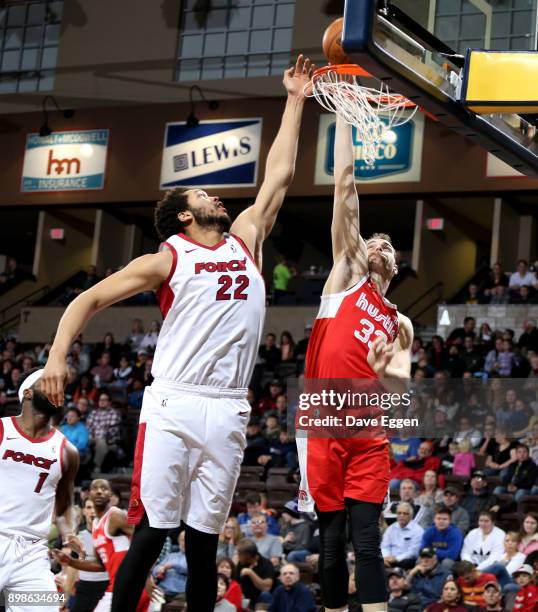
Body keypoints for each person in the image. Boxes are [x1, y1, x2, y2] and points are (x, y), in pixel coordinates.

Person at [41, 54, 314, 612]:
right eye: (201, 195)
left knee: (205, 539)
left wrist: (295, 99)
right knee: (152, 528)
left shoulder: (245, 238)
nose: (216, 196)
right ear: (183, 216)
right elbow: (88, 299)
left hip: (230, 406)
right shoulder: (167, 256)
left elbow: (280, 175)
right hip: (175, 401)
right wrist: (56, 358)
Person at [297, 118, 413, 612]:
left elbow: (400, 383)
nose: (380, 245)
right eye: (375, 241)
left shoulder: (401, 322)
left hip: (367, 433)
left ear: (397, 265)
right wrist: (344, 114)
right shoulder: (347, 276)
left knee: (367, 543)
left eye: (389, 245)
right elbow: (344, 186)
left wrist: (387, 369)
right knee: (330, 542)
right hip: (323, 425)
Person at [0, 368, 79, 611]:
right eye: (49, 382)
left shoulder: (68, 451)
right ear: (27, 393)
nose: (58, 388)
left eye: (61, 385)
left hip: (32, 556)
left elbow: (65, 505)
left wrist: (70, 535)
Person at [52, 478, 151, 612]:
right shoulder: (96, 524)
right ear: (89, 494)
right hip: (116, 588)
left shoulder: (115, 515)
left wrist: (147, 575)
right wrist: (70, 561)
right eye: (95, 489)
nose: (99, 492)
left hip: (127, 588)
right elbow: (100, 565)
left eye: (104, 489)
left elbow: (146, 540)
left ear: (111, 495)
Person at [70, 498, 110, 612]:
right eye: (88, 507)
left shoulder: (110, 533)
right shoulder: (77, 535)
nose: (92, 511)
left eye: (95, 507)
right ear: (83, 511)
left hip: (105, 585)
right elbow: (74, 562)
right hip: (84, 586)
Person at [381, 502, 424, 570]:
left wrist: (396, 559)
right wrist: (386, 557)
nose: (401, 515)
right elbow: (384, 546)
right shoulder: (391, 529)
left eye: (405, 513)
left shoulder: (418, 530)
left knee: (407, 562)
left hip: (405, 561)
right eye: (399, 513)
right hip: (389, 559)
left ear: (411, 516)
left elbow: (413, 552)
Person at [236, 538, 275, 608]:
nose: (238, 556)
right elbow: (236, 582)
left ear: (249, 556)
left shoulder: (266, 564)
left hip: (261, 600)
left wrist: (250, 573)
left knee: (265, 594)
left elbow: (266, 588)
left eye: (239, 554)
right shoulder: (241, 562)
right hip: (246, 599)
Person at [152, 531, 188, 601]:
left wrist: (172, 565)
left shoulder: (196, 558)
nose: (184, 543)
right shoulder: (171, 555)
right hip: (161, 590)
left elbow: (188, 569)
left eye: (187, 540)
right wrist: (159, 570)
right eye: (182, 540)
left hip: (180, 592)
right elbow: (155, 570)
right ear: (179, 541)